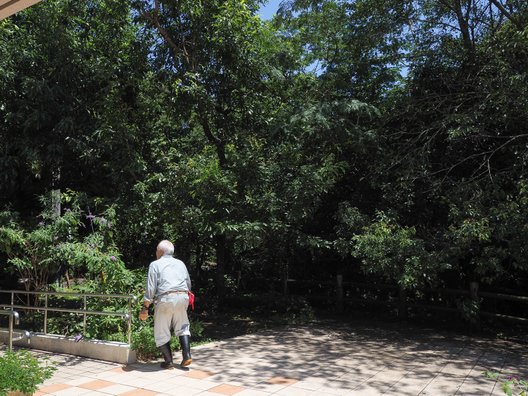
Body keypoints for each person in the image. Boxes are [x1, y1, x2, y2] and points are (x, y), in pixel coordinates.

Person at [139, 240, 192, 369]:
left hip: (166, 298)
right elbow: (188, 283)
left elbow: (151, 289)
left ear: (161, 251)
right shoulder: (180, 263)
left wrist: (145, 307)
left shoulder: (155, 264)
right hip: (183, 296)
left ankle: (168, 361)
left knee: (161, 330)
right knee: (183, 326)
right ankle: (187, 355)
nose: (156, 252)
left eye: (157, 249)